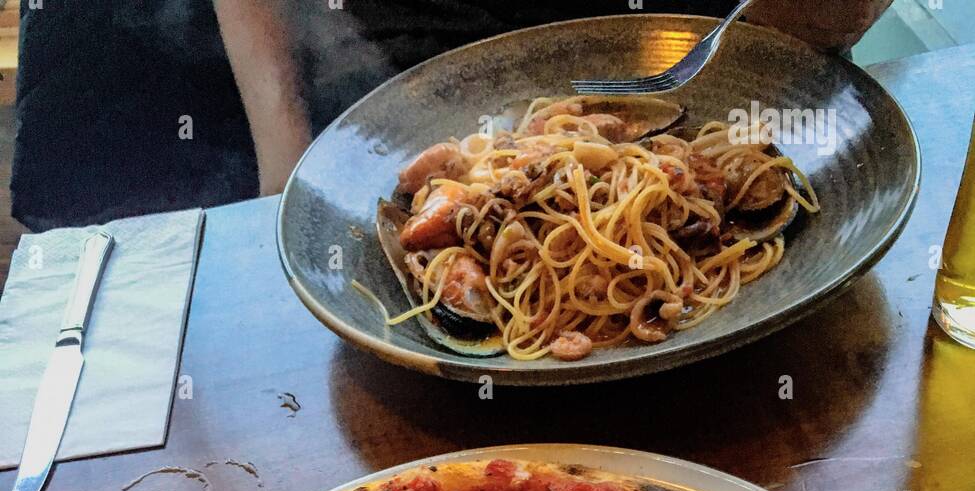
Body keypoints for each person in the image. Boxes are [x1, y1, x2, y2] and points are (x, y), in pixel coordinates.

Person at [11, 1, 894, 231]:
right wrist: (286, 172)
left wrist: (789, 57)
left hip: (674, 68)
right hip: (370, 66)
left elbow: (813, 30)